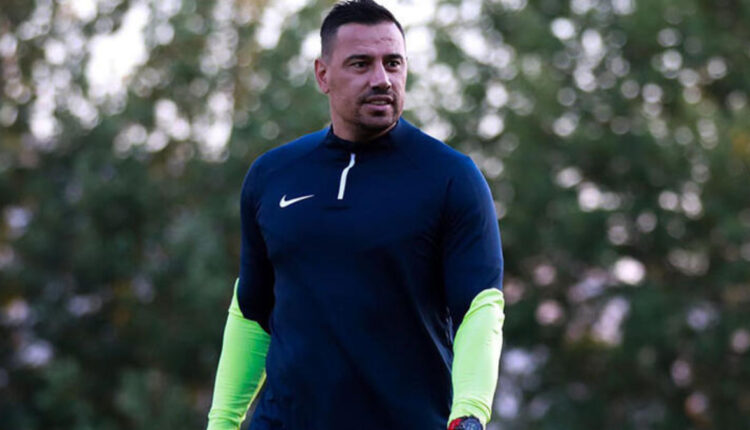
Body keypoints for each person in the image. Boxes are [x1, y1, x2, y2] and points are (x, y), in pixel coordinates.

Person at [207, 1, 505, 429]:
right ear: (322, 74)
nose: (382, 79)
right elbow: (252, 311)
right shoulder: (271, 175)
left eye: (393, 63)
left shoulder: (451, 177)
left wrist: (471, 413)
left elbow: (480, 307)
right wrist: (222, 422)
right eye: (361, 64)